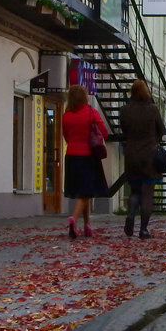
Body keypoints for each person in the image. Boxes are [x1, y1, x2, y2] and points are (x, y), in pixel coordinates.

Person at [118, 79, 166, 239]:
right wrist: (154, 139)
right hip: (149, 156)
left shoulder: (125, 110)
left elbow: (124, 130)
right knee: (147, 194)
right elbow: (162, 129)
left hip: (131, 155)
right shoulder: (152, 109)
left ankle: (131, 214)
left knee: (135, 190)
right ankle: (143, 230)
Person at [61, 84, 109, 239]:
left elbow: (66, 136)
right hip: (88, 156)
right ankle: (73, 219)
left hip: (71, 156)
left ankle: (87, 225)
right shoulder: (91, 113)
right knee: (86, 192)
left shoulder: (66, 115)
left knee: (83, 191)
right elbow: (104, 132)